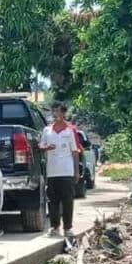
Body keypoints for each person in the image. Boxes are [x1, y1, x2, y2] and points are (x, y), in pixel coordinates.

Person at [38, 101, 80, 237]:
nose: (55, 114)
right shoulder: (47, 130)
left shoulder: (70, 130)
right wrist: (46, 148)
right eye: (53, 112)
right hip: (52, 172)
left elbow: (75, 151)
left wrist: (76, 171)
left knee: (67, 201)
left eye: (58, 112)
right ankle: (54, 227)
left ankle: (67, 228)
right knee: (53, 201)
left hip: (67, 171)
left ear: (63, 113)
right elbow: (40, 146)